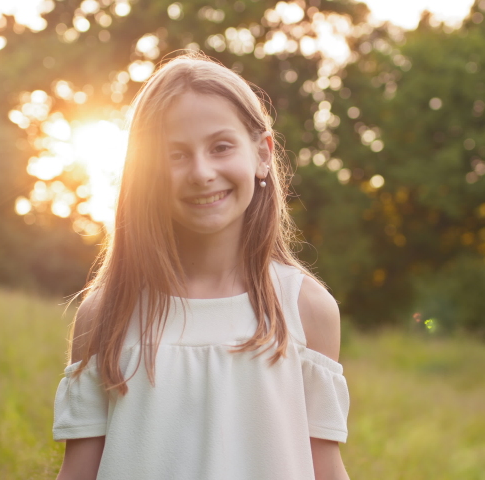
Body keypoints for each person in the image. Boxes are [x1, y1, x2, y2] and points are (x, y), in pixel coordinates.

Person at [53, 53, 350, 480]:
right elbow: (78, 471)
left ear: (263, 154)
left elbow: (324, 466)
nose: (201, 171)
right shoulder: (106, 313)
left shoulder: (306, 309)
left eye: (221, 146)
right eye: (175, 155)